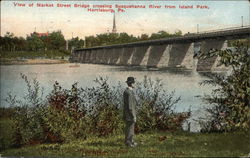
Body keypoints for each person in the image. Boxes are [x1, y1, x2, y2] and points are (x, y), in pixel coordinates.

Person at [123, 76, 138, 147]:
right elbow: (130, 106)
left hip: (128, 113)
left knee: (131, 128)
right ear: (131, 84)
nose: (134, 84)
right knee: (130, 128)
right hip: (129, 114)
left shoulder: (129, 91)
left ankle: (131, 141)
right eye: (134, 83)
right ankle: (128, 142)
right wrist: (133, 115)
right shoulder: (128, 92)